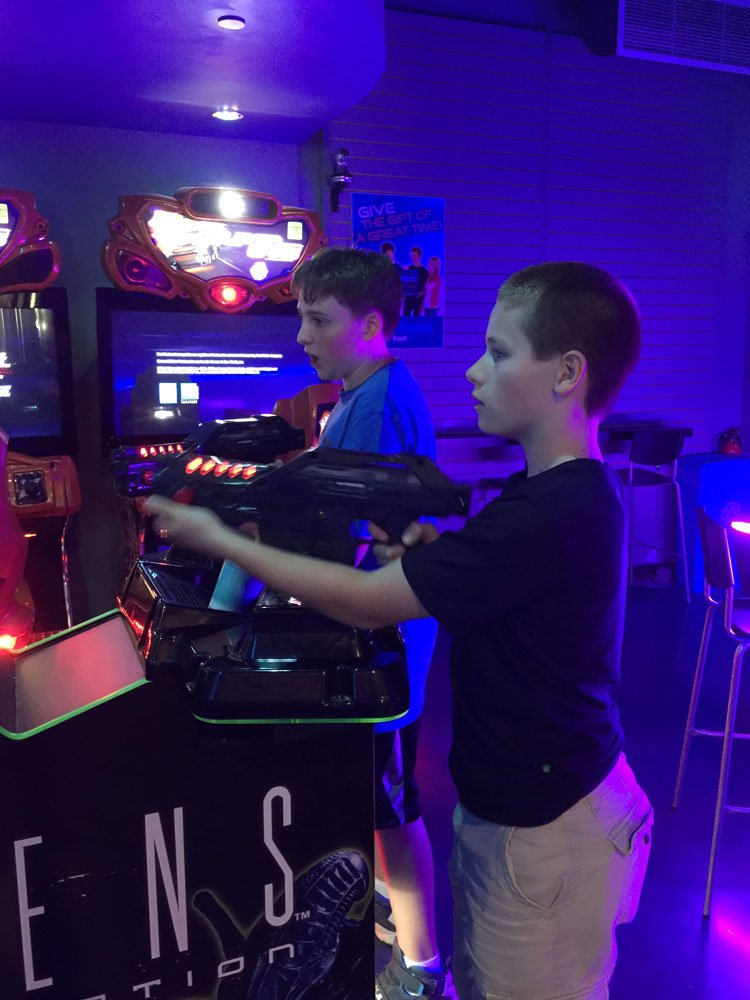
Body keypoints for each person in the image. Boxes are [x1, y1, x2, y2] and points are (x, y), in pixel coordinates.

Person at [145, 261, 654, 1000]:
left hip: (548, 826)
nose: (475, 372)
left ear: (567, 373)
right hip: (523, 813)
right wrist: (430, 556)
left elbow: (363, 601)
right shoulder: (550, 496)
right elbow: (504, 588)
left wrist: (219, 538)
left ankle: (414, 967)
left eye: (499, 353)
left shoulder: (547, 513)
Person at [293, 247, 452, 999]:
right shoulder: (363, 393)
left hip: (384, 635)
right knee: (375, 793)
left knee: (391, 801)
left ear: (370, 324)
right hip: (376, 626)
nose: (303, 336)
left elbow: (350, 533)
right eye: (302, 318)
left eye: (318, 320)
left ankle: (422, 968)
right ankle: (390, 913)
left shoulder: (378, 405)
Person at [402, 246, 429, 317]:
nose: (413, 257)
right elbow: (404, 283)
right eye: (412, 255)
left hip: (418, 300)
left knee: (416, 321)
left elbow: (426, 288)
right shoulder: (408, 268)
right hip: (408, 299)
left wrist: (422, 296)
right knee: (406, 320)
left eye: (415, 255)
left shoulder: (424, 271)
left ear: (420, 256)